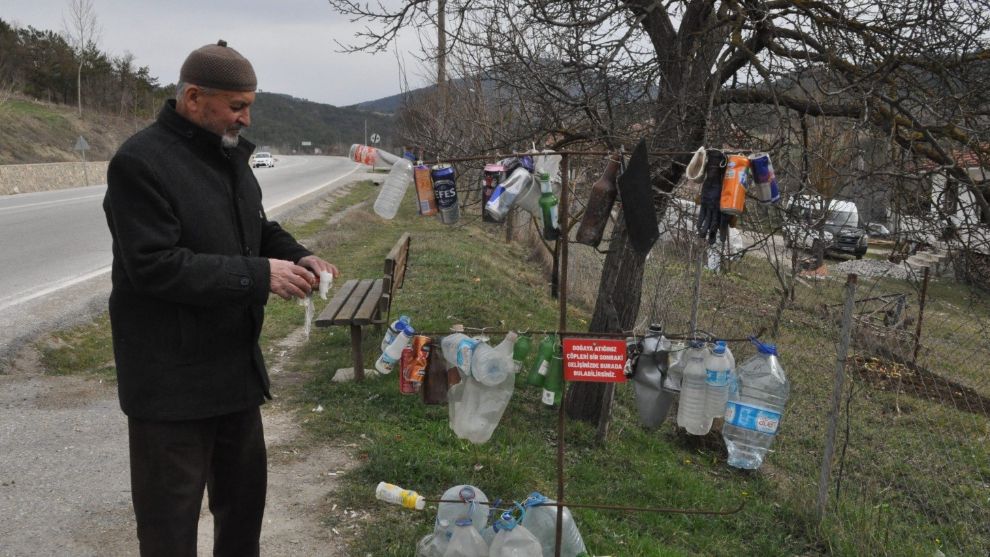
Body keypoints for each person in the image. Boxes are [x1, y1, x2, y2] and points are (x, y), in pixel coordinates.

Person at [102, 39, 338, 557]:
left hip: (233, 376)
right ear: (192, 98)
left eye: (249, 105)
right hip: (170, 385)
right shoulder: (140, 164)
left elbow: (255, 227)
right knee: (170, 527)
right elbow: (154, 268)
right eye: (237, 106)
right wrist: (258, 277)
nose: (247, 118)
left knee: (242, 512)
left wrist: (299, 256)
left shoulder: (228, 156)